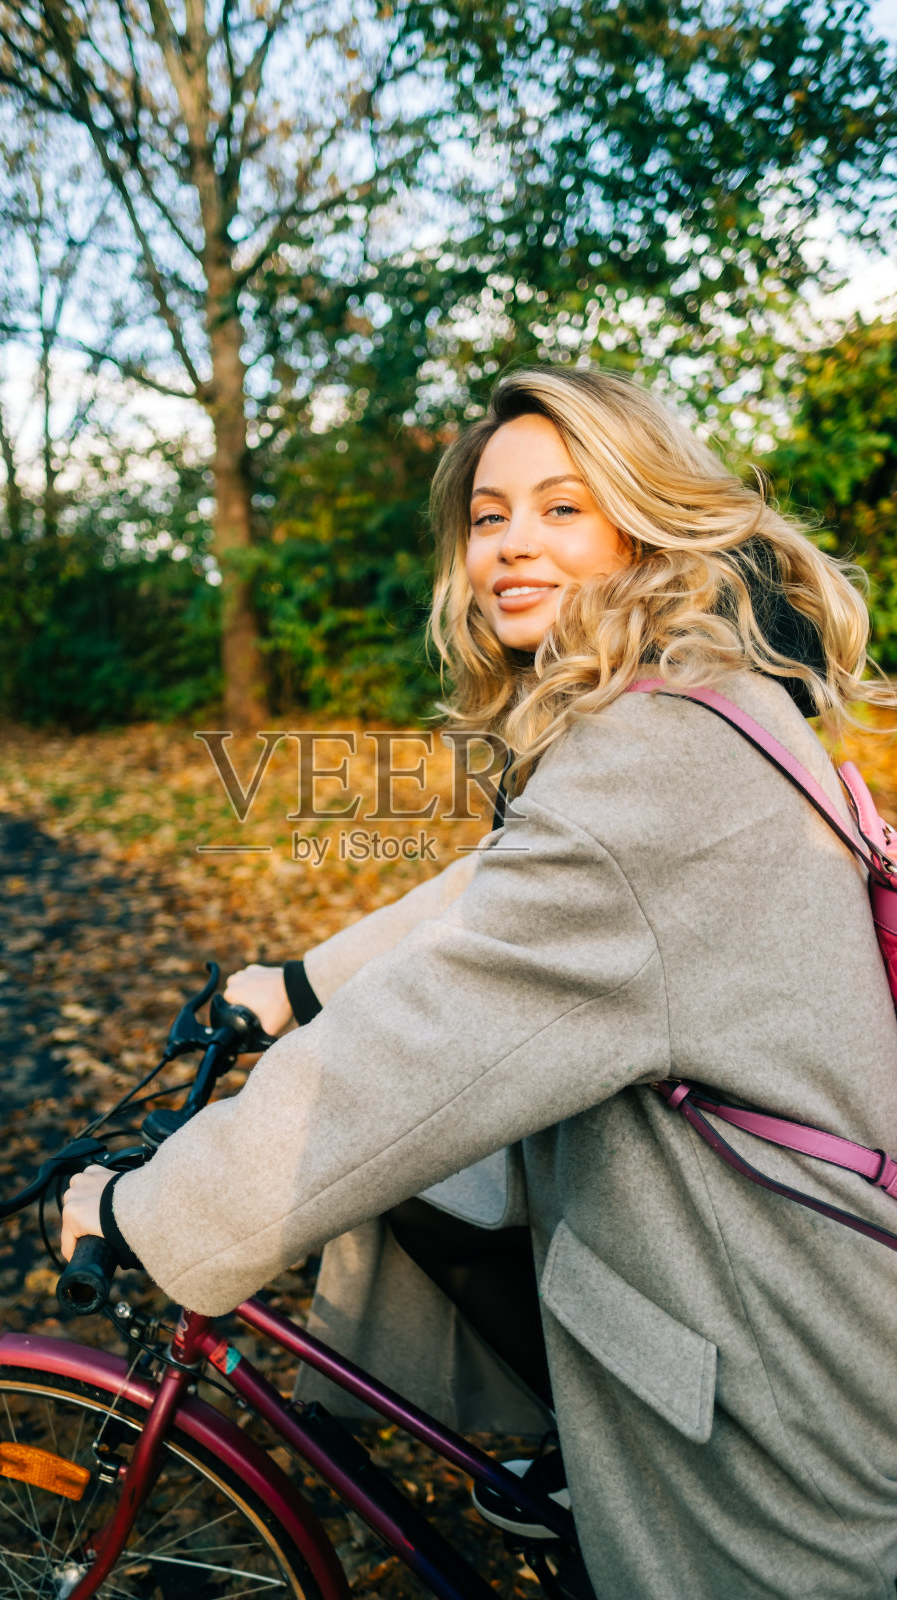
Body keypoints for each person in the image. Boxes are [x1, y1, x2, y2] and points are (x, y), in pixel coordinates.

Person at [62, 367, 897, 1600]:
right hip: (782, 1238)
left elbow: (404, 1057)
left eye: (562, 508)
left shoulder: (654, 755)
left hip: (773, 1359)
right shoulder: (696, 695)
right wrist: (298, 981)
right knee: (435, 1181)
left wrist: (152, 1210)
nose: (510, 544)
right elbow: (505, 889)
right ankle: (567, 1448)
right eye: (487, 515)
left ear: (644, 522)